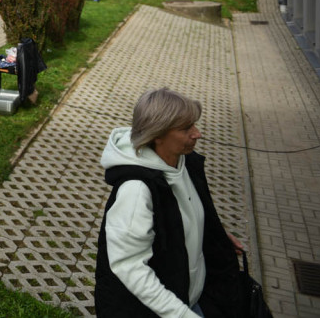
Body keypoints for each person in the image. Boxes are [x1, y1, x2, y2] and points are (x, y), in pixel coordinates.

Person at [96, 88, 244, 317]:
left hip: (193, 296)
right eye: (186, 129)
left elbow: (184, 216)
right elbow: (130, 267)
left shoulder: (182, 163)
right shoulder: (136, 192)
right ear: (158, 135)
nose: (198, 134)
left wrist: (215, 235)